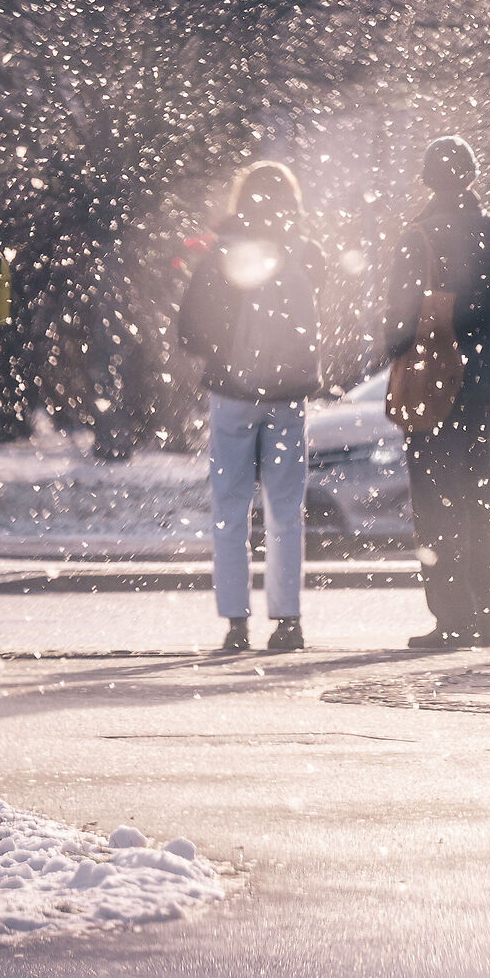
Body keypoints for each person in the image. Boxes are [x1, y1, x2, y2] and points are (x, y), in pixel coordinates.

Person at [385, 137, 490, 650]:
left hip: (432, 385)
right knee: (482, 494)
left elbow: (396, 323)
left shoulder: (417, 238)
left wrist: (407, 351)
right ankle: (485, 612)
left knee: (436, 498)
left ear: (427, 180)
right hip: (487, 384)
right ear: (472, 177)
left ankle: (452, 615)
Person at [177, 161, 326, 653]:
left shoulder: (221, 254)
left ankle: (236, 624)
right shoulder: (307, 254)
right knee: (286, 511)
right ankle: (288, 622)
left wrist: (227, 350)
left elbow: (189, 332)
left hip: (233, 396)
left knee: (230, 510)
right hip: (289, 396)